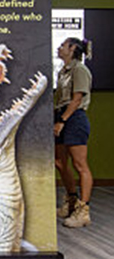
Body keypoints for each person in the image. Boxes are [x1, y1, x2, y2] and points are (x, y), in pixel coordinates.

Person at [55, 37, 94, 228]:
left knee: (80, 164)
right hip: (61, 115)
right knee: (59, 162)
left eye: (63, 45)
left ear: (72, 48)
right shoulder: (63, 72)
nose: (59, 48)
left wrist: (62, 121)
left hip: (74, 117)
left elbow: (77, 99)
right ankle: (71, 201)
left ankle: (83, 210)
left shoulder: (80, 70)